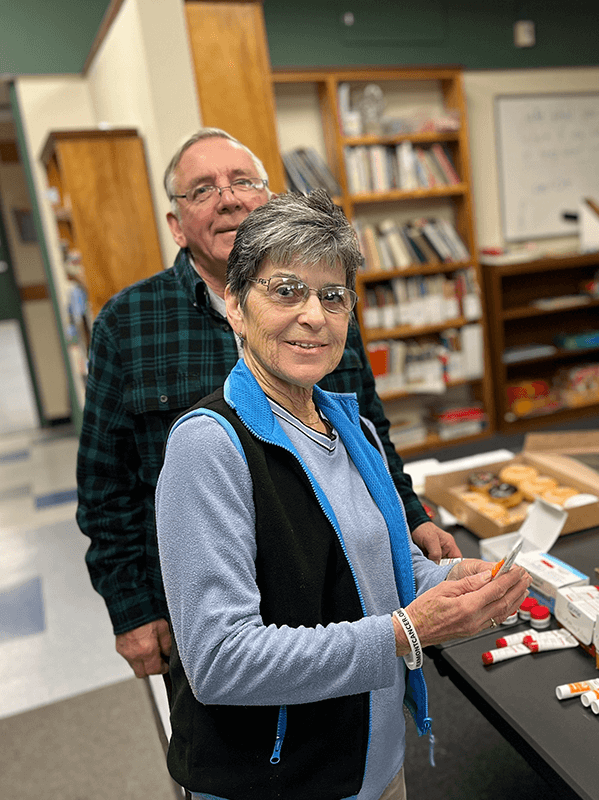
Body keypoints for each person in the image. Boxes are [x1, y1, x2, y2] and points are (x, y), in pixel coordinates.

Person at [155, 191, 530, 800]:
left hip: (370, 760)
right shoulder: (209, 447)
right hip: (280, 779)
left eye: (333, 296)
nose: (315, 316)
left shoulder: (348, 425)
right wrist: (404, 635)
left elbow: (384, 566)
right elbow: (220, 661)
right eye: (286, 291)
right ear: (234, 305)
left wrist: (458, 582)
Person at [76, 128, 461, 681]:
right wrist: (131, 610)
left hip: (337, 584)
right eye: (202, 190)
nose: (228, 198)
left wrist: (410, 519)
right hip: (210, 606)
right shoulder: (127, 323)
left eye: (243, 182)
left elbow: (367, 431)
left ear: (269, 202)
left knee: (350, 726)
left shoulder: (325, 306)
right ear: (175, 225)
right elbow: (104, 484)